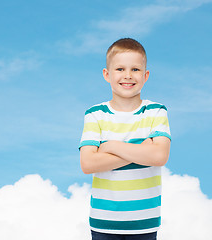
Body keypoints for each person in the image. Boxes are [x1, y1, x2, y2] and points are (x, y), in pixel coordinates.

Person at [79, 38, 171, 240]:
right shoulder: (95, 114)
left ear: (146, 75)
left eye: (135, 70)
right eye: (120, 69)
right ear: (107, 74)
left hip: (144, 223)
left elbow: (159, 156)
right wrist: (142, 149)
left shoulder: (156, 111)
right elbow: (88, 163)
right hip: (104, 223)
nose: (128, 76)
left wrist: (110, 146)